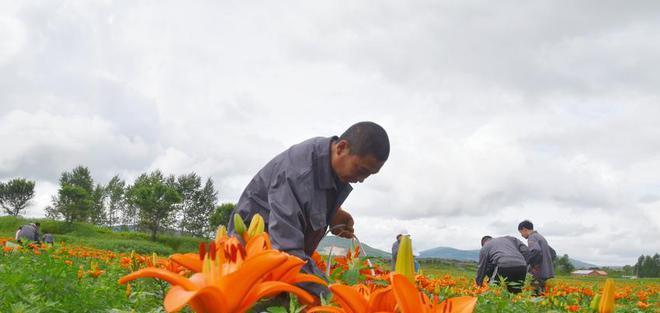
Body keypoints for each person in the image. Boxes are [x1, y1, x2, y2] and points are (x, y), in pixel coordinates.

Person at [228, 121, 390, 297]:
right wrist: (333, 297)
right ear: (341, 148)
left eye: (369, 175)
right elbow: (286, 252)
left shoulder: (331, 164)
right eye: (361, 170)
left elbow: (304, 203)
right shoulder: (297, 173)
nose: (362, 180)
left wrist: (333, 214)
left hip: (276, 266)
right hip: (250, 264)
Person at [518, 220, 555, 295]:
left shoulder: (532, 237)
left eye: (521, 232)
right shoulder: (540, 237)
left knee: (535, 293)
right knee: (541, 293)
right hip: (544, 271)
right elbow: (553, 253)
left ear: (525, 229)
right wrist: (546, 263)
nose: (521, 235)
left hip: (537, 272)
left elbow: (536, 250)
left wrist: (529, 264)